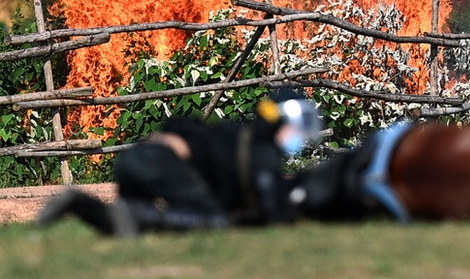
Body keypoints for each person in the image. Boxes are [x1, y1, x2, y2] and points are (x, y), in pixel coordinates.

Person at [38, 88, 323, 236]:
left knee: (122, 226)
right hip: (157, 162)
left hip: (133, 159)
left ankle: (79, 203)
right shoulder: (260, 151)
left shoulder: (234, 135)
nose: (298, 135)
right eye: (295, 126)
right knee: (214, 221)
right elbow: (268, 204)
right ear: (281, 121)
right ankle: (137, 214)